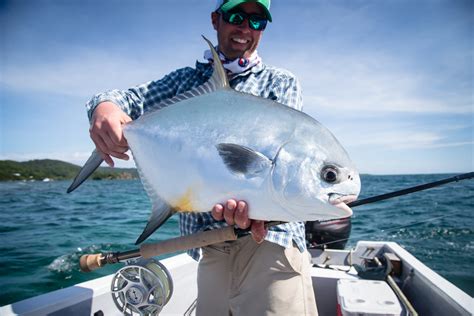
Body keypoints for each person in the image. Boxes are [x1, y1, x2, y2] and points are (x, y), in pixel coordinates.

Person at [86, 1, 319, 314]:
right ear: (216, 19)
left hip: (272, 244)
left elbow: (287, 167)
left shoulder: (279, 83)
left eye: (257, 21)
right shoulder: (184, 82)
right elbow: (121, 99)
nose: (245, 28)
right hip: (209, 246)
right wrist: (104, 109)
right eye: (236, 17)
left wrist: (261, 210)